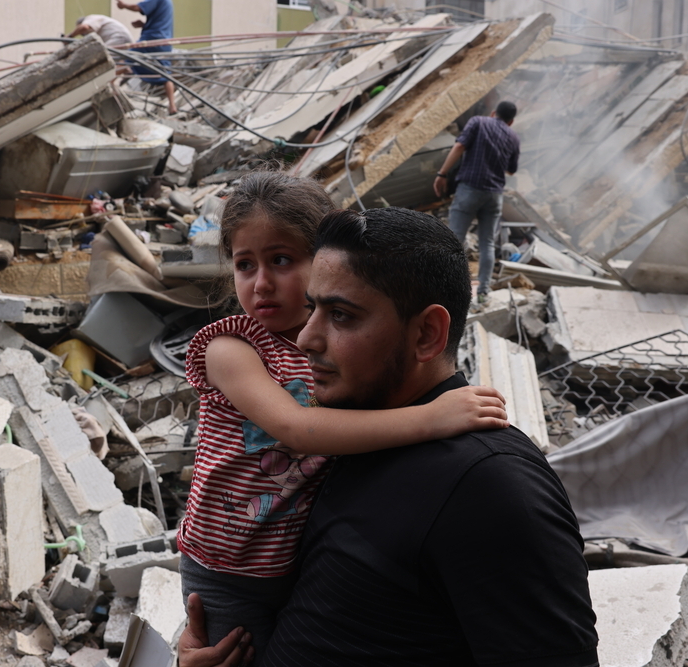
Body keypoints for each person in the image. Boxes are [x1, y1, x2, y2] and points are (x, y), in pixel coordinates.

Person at [180, 206, 599, 667]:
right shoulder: (349, 437)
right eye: (311, 308)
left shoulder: (489, 485)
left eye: (340, 315)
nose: (305, 340)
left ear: (426, 334)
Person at [434, 100, 520, 305]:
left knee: (454, 240)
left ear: (493, 113)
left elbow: (460, 146)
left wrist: (442, 174)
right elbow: (511, 170)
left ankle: (444, 288)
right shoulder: (513, 137)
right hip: (494, 195)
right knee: (487, 244)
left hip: (470, 189)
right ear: (511, 122)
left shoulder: (478, 122)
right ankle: (482, 292)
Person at [117, 0, 178, 114]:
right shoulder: (168, 2)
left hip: (152, 38)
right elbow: (160, 22)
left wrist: (123, 6)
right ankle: (172, 106)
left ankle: (108, 82)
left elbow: (137, 7)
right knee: (165, 73)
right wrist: (144, 25)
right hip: (165, 42)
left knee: (129, 56)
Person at [69, 15, 133, 73]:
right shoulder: (97, 26)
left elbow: (84, 27)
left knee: (102, 58)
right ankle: (123, 70)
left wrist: (70, 36)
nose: (84, 34)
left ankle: (124, 69)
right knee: (112, 62)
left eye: (82, 33)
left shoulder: (90, 19)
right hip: (123, 39)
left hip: (119, 37)